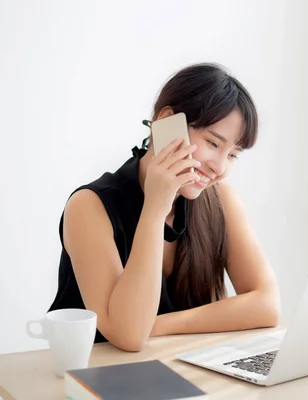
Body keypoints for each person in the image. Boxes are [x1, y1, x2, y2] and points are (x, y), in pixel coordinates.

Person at [48, 63, 280, 352]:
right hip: (95, 378)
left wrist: (157, 325)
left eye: (233, 155)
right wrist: (155, 210)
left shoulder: (220, 199)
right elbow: (130, 335)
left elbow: (267, 304)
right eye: (212, 143)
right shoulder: (90, 206)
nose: (219, 167)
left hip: (182, 368)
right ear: (167, 123)